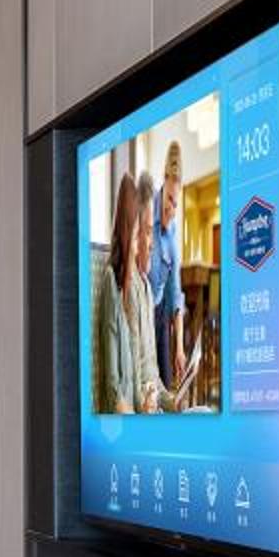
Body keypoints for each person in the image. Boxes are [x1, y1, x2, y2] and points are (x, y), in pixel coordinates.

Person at [93, 168, 159, 414]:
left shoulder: (133, 288)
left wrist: (147, 402)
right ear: (128, 232)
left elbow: (138, 380)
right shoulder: (112, 282)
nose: (141, 244)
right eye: (138, 234)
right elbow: (114, 390)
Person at [150, 140, 187, 396]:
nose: (172, 210)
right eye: (170, 200)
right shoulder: (145, 212)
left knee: (166, 385)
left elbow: (175, 293)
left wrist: (180, 348)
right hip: (141, 308)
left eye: (177, 204)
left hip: (161, 312)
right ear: (163, 182)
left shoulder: (173, 235)